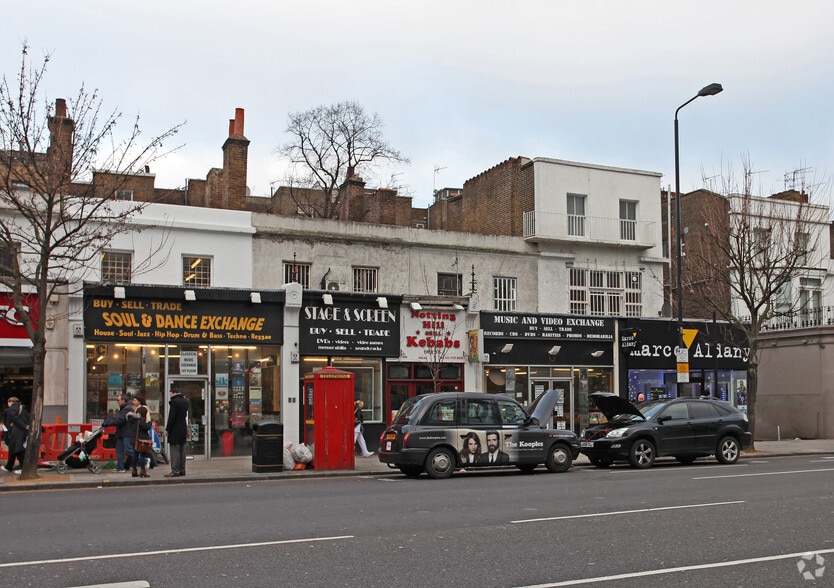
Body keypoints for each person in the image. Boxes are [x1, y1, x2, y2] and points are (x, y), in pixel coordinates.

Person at [103, 394, 134, 473]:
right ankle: (120, 467)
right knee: (119, 450)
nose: (117, 401)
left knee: (129, 450)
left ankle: (144, 460)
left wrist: (109, 423)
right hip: (121, 432)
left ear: (123, 400)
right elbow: (117, 418)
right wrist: (109, 421)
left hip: (126, 432)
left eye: (118, 400)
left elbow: (120, 420)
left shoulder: (127, 409)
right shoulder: (123, 409)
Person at [127, 396, 153, 478]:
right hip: (141, 437)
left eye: (135, 400)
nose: (133, 401)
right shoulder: (140, 419)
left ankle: (134, 470)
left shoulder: (132, 417)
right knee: (142, 454)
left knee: (135, 454)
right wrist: (149, 422)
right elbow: (146, 427)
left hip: (134, 437)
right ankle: (142, 470)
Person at [2, 397, 29, 474]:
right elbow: (28, 418)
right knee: (15, 449)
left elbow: (13, 421)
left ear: (9, 402)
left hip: (15, 433)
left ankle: (23, 468)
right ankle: (9, 466)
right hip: (22, 433)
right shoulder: (22, 409)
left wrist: (6, 435)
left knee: (17, 450)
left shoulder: (10, 410)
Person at [165, 388, 189, 477]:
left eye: (171, 394)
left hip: (175, 429)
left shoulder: (174, 402)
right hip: (183, 427)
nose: (170, 395)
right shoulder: (185, 402)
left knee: (175, 451)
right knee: (182, 450)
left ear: (174, 393)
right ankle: (182, 470)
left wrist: (168, 429)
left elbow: (172, 417)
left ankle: (175, 470)